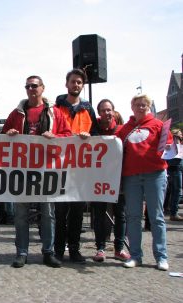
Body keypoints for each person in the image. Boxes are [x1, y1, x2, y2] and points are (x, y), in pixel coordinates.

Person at [2, 75, 72, 268]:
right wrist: (9, 134)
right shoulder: (17, 113)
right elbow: (3, 135)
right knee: (21, 213)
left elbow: (68, 135)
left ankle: (48, 252)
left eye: (34, 86)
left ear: (43, 88)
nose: (31, 89)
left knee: (48, 213)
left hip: (47, 168)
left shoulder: (54, 112)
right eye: (28, 86)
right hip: (22, 169)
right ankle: (22, 252)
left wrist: (55, 136)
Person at [117, 94, 171, 271]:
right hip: (131, 176)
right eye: (137, 105)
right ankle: (135, 255)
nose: (141, 108)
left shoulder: (158, 125)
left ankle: (161, 257)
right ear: (132, 107)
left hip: (155, 174)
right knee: (133, 217)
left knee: (156, 217)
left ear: (148, 108)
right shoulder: (126, 128)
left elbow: (169, 145)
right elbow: (112, 143)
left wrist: (170, 147)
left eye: (144, 105)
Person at [54, 68, 99, 264]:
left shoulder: (88, 109)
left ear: (82, 85)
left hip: (80, 169)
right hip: (59, 167)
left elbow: (96, 136)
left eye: (79, 82)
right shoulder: (56, 107)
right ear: (67, 84)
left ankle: (74, 248)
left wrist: (89, 138)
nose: (76, 85)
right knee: (60, 211)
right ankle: (58, 250)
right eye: (73, 81)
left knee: (77, 212)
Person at [91, 99, 130, 262]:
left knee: (120, 215)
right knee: (99, 215)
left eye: (109, 110)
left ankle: (118, 248)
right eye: (103, 110)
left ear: (113, 111)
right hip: (98, 179)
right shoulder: (92, 130)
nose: (106, 113)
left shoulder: (121, 131)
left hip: (118, 179)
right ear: (99, 112)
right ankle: (100, 248)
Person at [167, 128, 183, 221]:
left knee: (174, 191)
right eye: (180, 134)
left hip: (175, 168)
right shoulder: (175, 139)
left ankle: (172, 211)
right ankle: (174, 213)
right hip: (175, 168)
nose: (181, 135)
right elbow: (177, 153)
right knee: (176, 191)